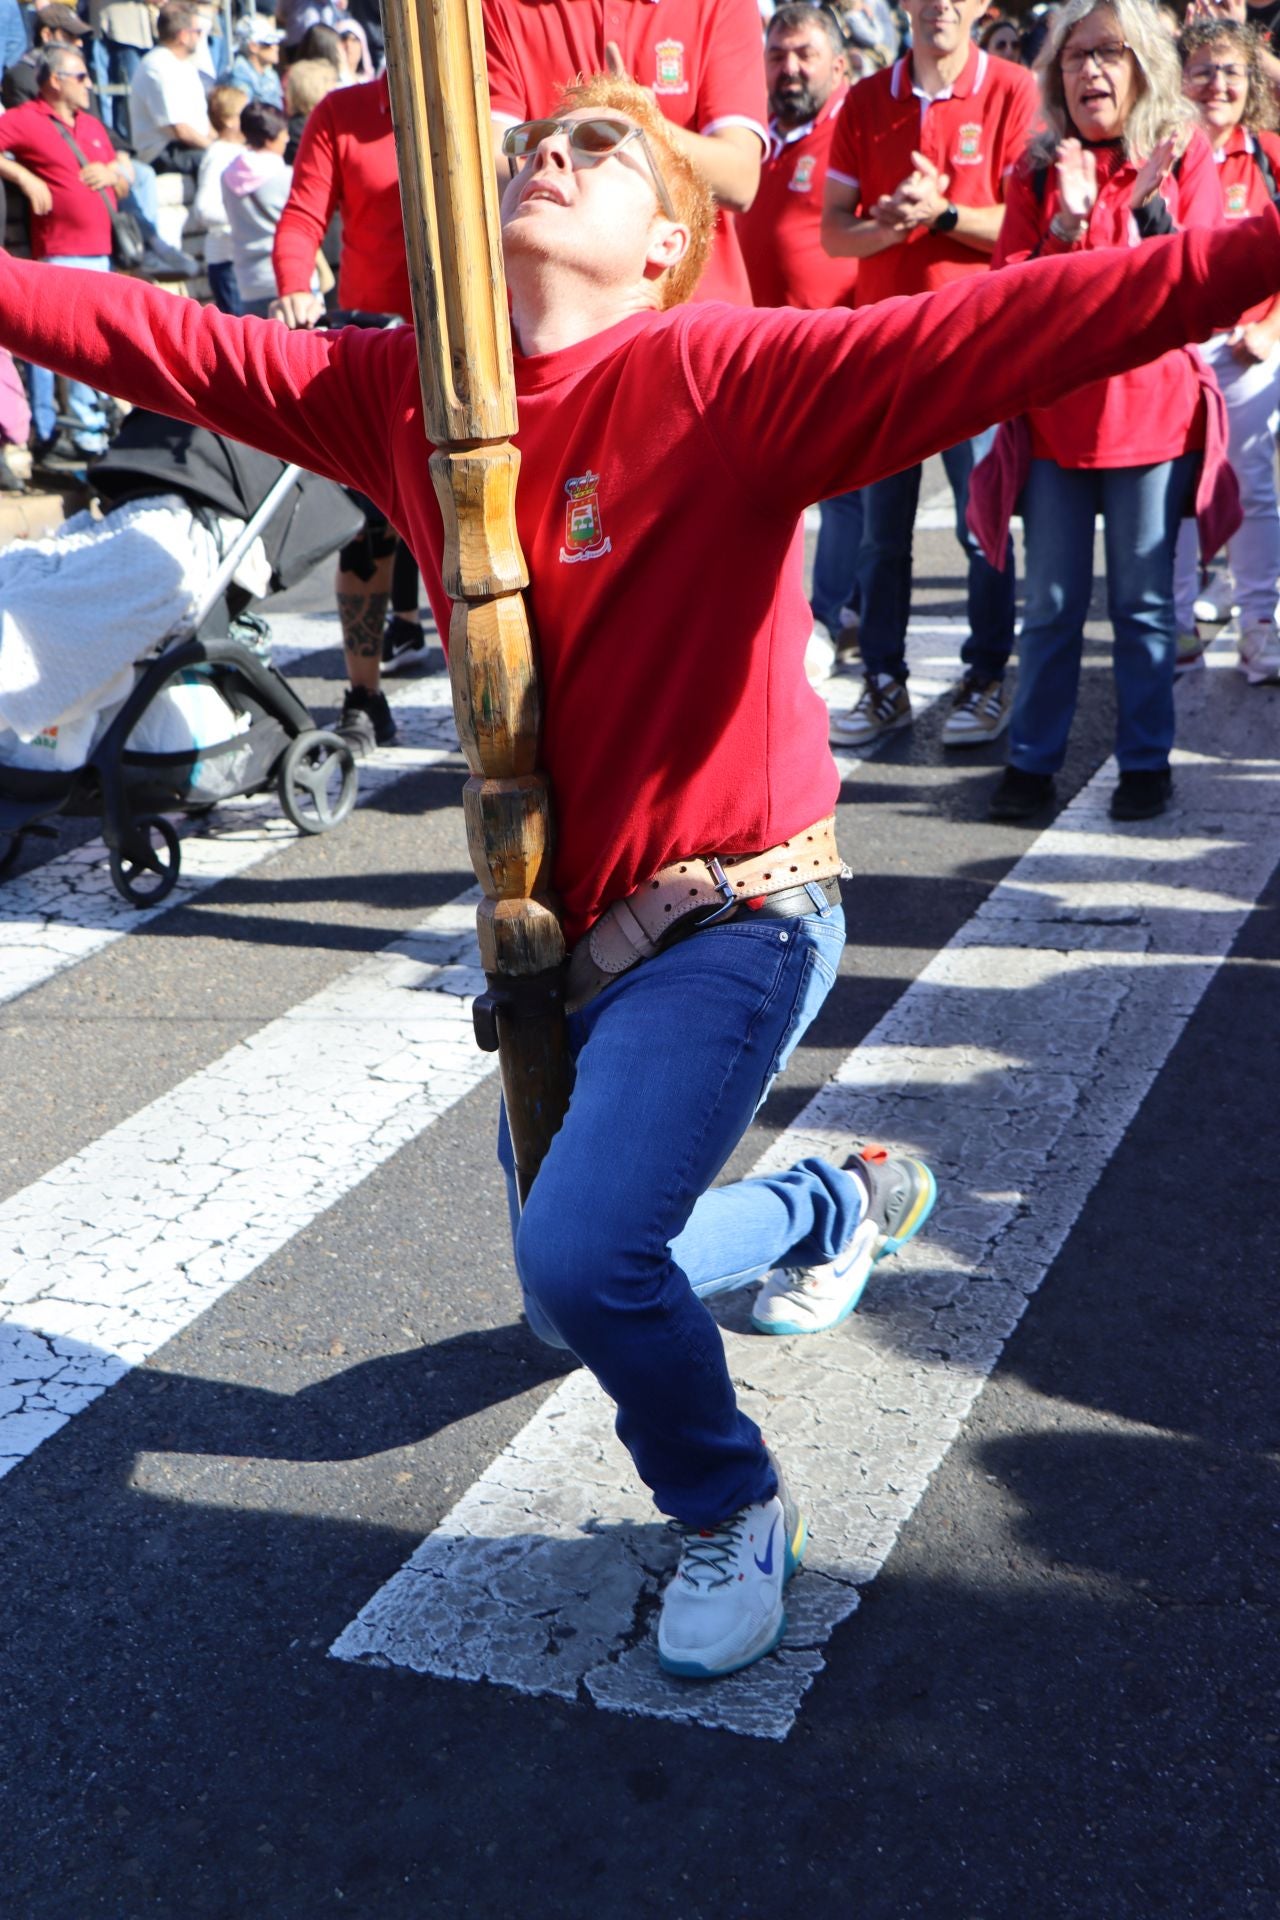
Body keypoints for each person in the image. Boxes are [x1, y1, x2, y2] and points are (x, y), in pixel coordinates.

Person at [4, 78, 1280, 1683]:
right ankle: (835, 1200)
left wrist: (1263, 249)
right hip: (553, 944)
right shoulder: (398, 395)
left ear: (673, 241)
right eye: (535, 145)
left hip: (733, 910)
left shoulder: (724, 373)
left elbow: (1047, 318)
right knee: (580, 1299)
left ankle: (729, 1502)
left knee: (590, 1263)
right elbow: (146, 338)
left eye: (603, 149)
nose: (553, 153)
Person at [984, 0, 1223, 825]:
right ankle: (1031, 764)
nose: (1090, 70)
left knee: (1144, 607)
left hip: (1151, 425)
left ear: (1144, 64)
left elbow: (1201, 287)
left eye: (1110, 53)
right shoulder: (1039, 167)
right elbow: (1005, 297)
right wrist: (1062, 227)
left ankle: (1147, 763)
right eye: (1076, 56)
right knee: (1049, 608)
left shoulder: (1185, 155)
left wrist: (1152, 212)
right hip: (1056, 428)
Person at [821, 0, 1038, 749]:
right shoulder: (863, 97)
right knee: (884, 537)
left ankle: (986, 677)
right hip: (889, 353)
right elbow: (833, 230)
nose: (941, 3)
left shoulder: (1013, 88)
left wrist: (943, 214)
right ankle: (884, 681)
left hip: (975, 350)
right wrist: (887, 224)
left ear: (982, 6)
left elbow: (1023, 218)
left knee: (984, 530)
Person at [272, 71, 421, 747]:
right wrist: (294, 286)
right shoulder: (343, 111)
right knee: (368, 530)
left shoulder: (491, 97)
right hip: (377, 345)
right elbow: (304, 214)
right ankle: (365, 695)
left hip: (478, 339)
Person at [481, 0, 769, 305]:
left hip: (690, 313)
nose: (550, 148)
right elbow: (487, 166)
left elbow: (740, 179)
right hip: (551, 313)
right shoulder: (501, 6)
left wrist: (639, 126)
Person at [739, 3, 863, 657]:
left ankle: (830, 615)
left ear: (839, 65)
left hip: (833, 347)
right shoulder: (750, 136)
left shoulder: (856, 130)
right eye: (778, 55)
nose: (789, 69)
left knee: (842, 495)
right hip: (758, 353)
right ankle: (824, 612)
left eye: (804, 54)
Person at [1174, 16, 1280, 681]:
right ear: (1178, 80)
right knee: (1173, 493)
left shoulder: (1270, 152)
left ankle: (1260, 627)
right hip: (1172, 353)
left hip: (1249, 352)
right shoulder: (1157, 150)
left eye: (1231, 70)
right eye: (1203, 69)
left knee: (1254, 490)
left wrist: (1272, 330)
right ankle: (1176, 627)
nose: (1217, 84)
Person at [0, 43, 127, 467]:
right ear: (55, 80)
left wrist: (112, 174)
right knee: (49, 347)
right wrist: (23, 175)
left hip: (101, 252)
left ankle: (90, 433)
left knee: (95, 347)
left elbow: (120, 177)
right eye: (80, 76)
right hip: (59, 253)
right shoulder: (26, 119)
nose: (89, 84)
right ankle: (49, 434)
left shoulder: (91, 123)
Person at [220, 99, 294, 317]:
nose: (288, 138)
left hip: (249, 282)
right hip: (289, 280)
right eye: (283, 133)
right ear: (271, 137)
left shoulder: (227, 176)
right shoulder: (287, 177)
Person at [129, 0, 213, 178]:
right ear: (183, 35)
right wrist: (216, 150)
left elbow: (201, 123)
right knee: (221, 165)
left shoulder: (184, 64)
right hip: (163, 152)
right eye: (197, 32)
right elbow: (180, 130)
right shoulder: (158, 66)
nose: (200, 37)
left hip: (187, 146)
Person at [194, 81, 247, 314]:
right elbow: (204, 209)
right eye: (244, 113)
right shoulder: (218, 155)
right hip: (226, 262)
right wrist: (243, 219)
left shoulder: (242, 151)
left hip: (241, 260)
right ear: (228, 120)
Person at [2, 2, 90, 109]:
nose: (79, 43)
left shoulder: (78, 71)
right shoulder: (24, 78)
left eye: (78, 37)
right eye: (70, 36)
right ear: (47, 35)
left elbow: (94, 119)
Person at [224, 13, 285, 110]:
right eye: (270, 43)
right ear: (253, 47)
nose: (276, 47)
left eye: (276, 43)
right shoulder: (238, 77)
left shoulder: (271, 76)